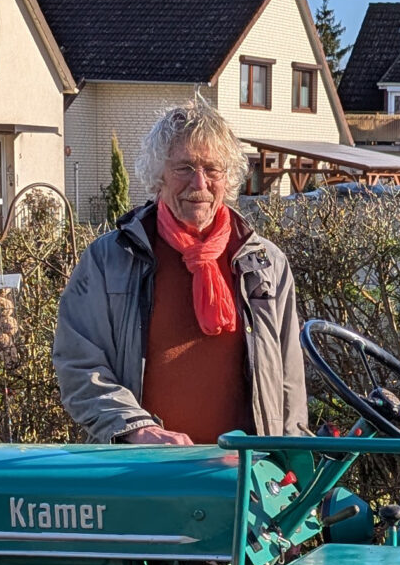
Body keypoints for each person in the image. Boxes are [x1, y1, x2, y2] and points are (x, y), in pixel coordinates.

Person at [53, 100, 307, 444]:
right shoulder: (108, 260)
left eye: (212, 169)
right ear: (158, 176)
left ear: (228, 178)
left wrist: (293, 466)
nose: (199, 183)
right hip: (145, 473)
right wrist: (136, 430)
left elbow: (289, 381)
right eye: (184, 168)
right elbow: (79, 365)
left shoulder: (265, 263)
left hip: (243, 474)